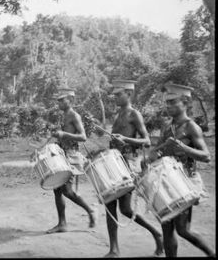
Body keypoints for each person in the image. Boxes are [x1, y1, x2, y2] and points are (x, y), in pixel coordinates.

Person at [147, 83, 215, 257]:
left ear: (185, 102)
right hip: (167, 181)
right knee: (167, 227)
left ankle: (211, 253)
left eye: (172, 102)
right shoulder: (167, 127)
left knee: (183, 230)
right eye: (167, 103)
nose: (168, 106)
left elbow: (206, 156)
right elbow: (158, 151)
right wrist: (150, 157)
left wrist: (185, 148)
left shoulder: (191, 127)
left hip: (185, 181)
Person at [104, 80, 163, 258]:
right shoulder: (119, 114)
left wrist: (126, 139)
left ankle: (157, 234)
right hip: (115, 162)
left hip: (128, 163)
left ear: (129, 94)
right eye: (114, 94)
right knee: (109, 204)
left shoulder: (133, 114)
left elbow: (146, 141)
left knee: (126, 210)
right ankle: (114, 249)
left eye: (118, 94)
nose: (115, 97)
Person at [46, 88, 97, 234]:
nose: (59, 102)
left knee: (67, 191)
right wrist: (57, 136)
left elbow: (83, 136)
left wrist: (64, 134)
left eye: (62, 100)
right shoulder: (63, 115)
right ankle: (62, 224)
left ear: (71, 100)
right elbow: (63, 136)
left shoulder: (74, 115)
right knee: (57, 189)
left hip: (71, 156)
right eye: (58, 100)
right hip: (62, 155)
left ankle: (90, 210)